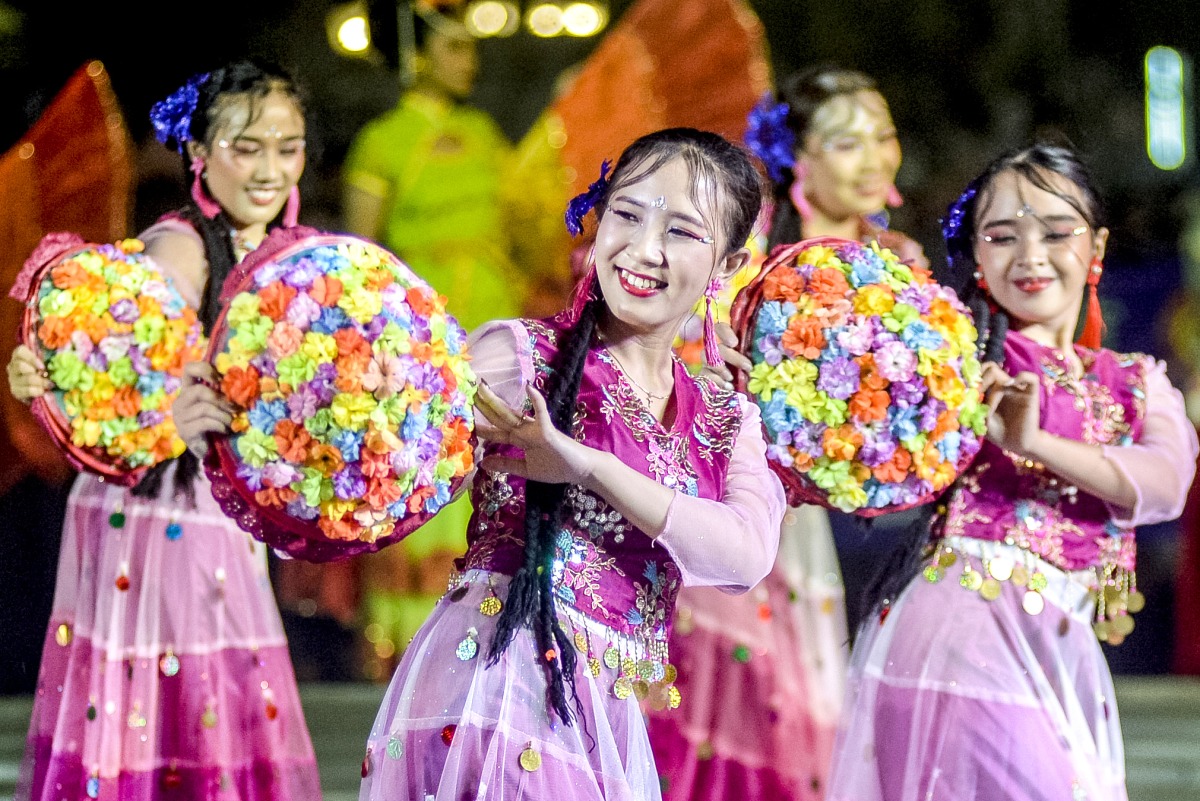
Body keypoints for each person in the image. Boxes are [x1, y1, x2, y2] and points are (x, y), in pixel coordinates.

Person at [351, 127, 784, 799]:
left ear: (727, 264)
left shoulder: (727, 418)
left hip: (602, 713)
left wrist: (584, 465)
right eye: (628, 214)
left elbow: (744, 554)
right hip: (493, 680)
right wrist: (378, 403)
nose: (643, 249)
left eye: (680, 231)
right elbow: (398, 463)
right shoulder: (522, 357)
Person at [825, 142, 1198, 801]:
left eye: (1055, 232)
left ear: (1097, 245)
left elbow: (1164, 485)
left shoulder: (1139, 381)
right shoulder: (950, 356)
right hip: (960, 630)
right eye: (1002, 235)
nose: (1030, 256)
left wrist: (1036, 441)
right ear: (977, 251)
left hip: (1060, 644)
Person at [6, 60, 323, 800]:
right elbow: (105, 391)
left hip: (217, 515)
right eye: (248, 147)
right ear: (200, 155)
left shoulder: (291, 252)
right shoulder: (177, 252)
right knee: (175, 714)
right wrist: (54, 378)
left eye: (289, 146)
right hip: (155, 516)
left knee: (212, 706)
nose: (271, 167)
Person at [650, 65, 926, 800]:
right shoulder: (750, 248)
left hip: (838, 525)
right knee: (747, 701)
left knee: (822, 703)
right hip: (738, 502)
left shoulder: (899, 267)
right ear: (796, 158)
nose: (874, 158)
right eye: (847, 142)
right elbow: (679, 354)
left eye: (884, 136)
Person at [339, 1, 525, 676]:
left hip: (493, 312)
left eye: (472, 48)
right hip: (421, 329)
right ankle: (410, 641)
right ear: (418, 53)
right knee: (427, 460)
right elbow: (361, 252)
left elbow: (526, 213)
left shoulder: (485, 132)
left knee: (494, 457)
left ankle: (491, 616)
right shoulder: (383, 140)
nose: (468, 60)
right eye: (453, 46)